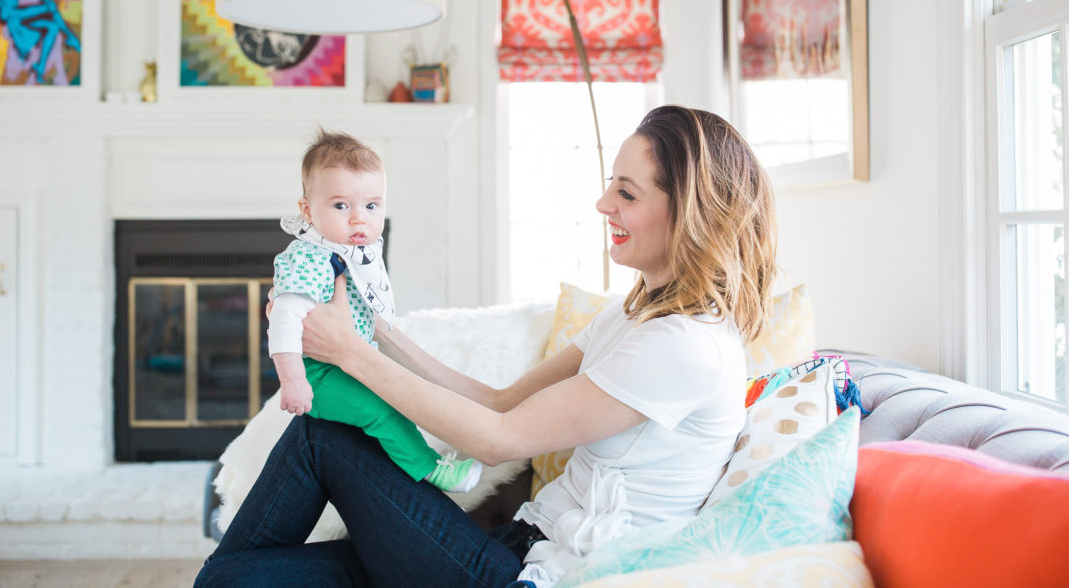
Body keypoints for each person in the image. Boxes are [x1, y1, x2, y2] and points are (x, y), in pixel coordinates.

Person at [196, 106, 777, 588]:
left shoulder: (686, 346)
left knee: (254, 538)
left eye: (625, 193)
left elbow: (498, 442)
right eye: (610, 187)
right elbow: (501, 402)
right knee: (240, 569)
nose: (604, 206)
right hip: (515, 547)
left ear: (690, 213)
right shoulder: (631, 316)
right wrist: (377, 331)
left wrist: (351, 353)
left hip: (533, 580)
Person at [267, 129, 482, 493]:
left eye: (371, 206)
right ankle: (431, 469)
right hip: (317, 374)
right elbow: (283, 320)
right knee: (384, 409)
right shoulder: (309, 257)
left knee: (399, 392)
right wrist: (293, 381)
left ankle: (412, 455)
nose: (358, 219)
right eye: (340, 206)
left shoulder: (349, 250)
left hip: (348, 359)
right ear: (307, 210)